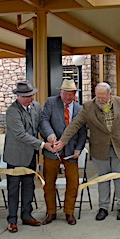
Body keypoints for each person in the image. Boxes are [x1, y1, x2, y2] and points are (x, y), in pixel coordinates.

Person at [54, 82, 120, 221]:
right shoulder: (88, 107)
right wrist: (62, 141)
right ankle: (103, 207)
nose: (100, 100)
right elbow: (75, 125)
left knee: (119, 177)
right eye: (98, 96)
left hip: (118, 147)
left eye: (103, 97)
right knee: (103, 178)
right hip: (99, 149)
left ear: (110, 95)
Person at [3, 80, 54, 233]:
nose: (30, 99)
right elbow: (20, 134)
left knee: (29, 187)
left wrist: (50, 136)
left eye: (31, 95)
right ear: (18, 96)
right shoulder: (12, 111)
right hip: (15, 156)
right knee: (13, 189)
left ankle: (27, 215)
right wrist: (42, 145)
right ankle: (12, 220)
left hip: (31, 155)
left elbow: (40, 125)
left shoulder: (36, 106)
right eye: (26, 96)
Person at [39, 79, 87, 225]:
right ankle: (51, 212)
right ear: (60, 92)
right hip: (52, 150)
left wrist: (79, 148)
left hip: (71, 152)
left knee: (73, 183)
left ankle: (69, 212)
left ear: (75, 94)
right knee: (49, 183)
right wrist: (49, 135)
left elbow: (83, 131)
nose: (67, 96)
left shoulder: (80, 109)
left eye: (70, 94)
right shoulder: (51, 102)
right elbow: (44, 121)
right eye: (65, 93)